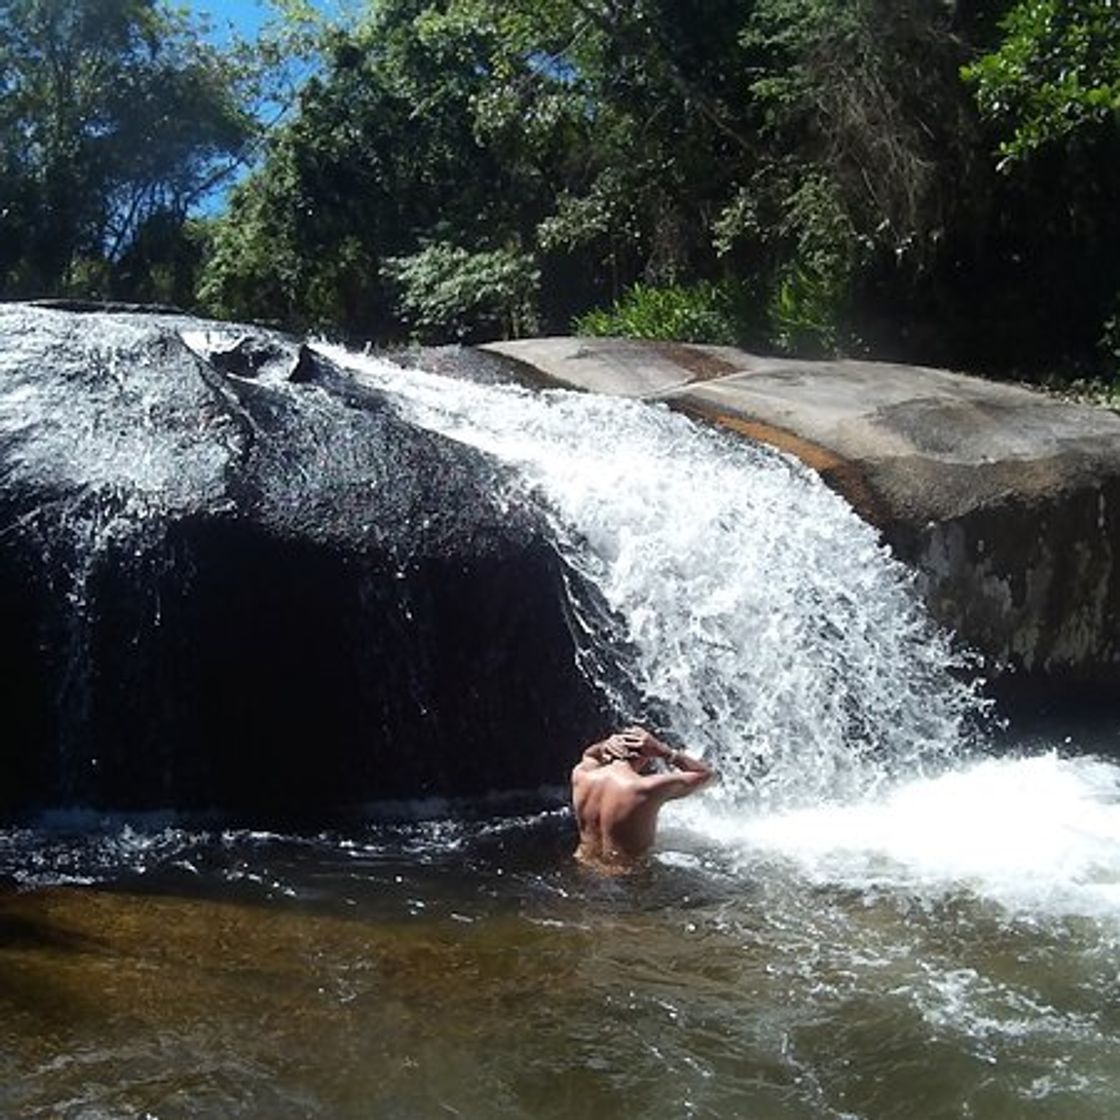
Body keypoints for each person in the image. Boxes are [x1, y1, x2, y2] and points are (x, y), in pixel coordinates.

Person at [571, 725, 715, 871]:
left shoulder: (581, 776)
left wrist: (604, 745)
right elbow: (707, 775)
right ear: (646, 754)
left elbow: (589, 755)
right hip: (625, 875)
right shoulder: (645, 789)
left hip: (584, 866)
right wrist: (665, 752)